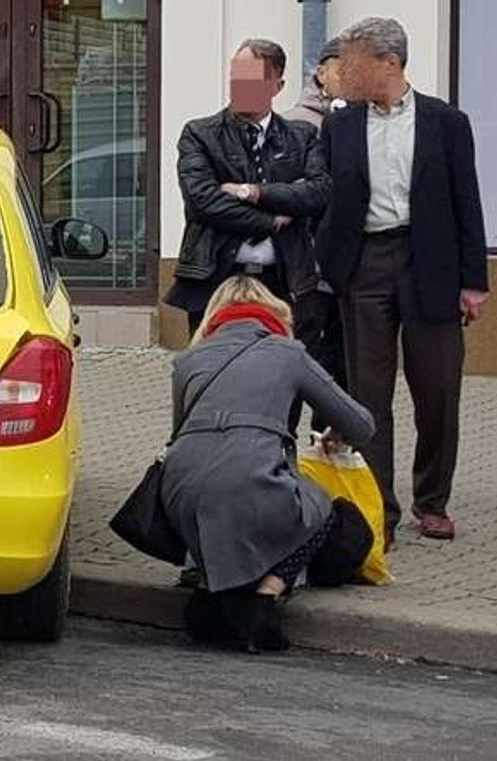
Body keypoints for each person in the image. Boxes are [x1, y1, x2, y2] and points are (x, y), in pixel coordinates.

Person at [314, 18, 489, 543]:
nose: (342, 72)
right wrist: (329, 262)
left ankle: (432, 501)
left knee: (438, 389)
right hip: (364, 264)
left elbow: (467, 200)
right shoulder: (339, 125)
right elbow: (324, 195)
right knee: (368, 394)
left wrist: (473, 280)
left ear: (389, 64)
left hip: (429, 264)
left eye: (352, 63)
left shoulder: (446, 122)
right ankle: (378, 511)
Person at [162, 276, 374, 653]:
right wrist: (336, 431)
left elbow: (178, 433)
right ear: (276, 313)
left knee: (222, 502)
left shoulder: (188, 360)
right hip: (253, 481)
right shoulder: (288, 353)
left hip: (179, 491)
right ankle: (267, 593)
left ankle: (212, 588)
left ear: (214, 315)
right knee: (318, 506)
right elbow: (362, 425)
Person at [166, 39, 330, 339]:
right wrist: (271, 221)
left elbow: (318, 194)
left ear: (277, 86)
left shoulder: (302, 136)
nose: (240, 87)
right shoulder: (200, 134)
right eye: (236, 77)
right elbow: (203, 200)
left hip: (285, 282)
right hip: (216, 279)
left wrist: (252, 192)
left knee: (285, 364)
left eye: (251, 79)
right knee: (216, 364)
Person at [284, 36, 350, 430]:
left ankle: (329, 442)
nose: (349, 77)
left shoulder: (363, 120)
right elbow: (296, 194)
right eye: (342, 68)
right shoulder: (299, 123)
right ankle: (287, 439)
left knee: (342, 365)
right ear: (321, 72)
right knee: (302, 354)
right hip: (308, 267)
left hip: (349, 267)